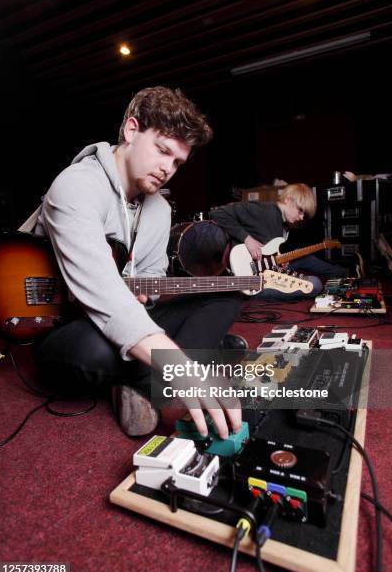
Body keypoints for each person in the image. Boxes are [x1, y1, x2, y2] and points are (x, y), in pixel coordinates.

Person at [32, 86, 243, 439]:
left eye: (177, 162)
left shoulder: (159, 208)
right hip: (65, 326)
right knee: (96, 348)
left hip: (126, 316)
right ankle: (190, 360)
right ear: (131, 131)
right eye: (162, 151)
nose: (167, 168)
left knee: (227, 293)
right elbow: (108, 300)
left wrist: (147, 294)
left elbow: (151, 277)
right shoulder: (76, 186)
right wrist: (184, 370)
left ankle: (143, 386)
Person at [210, 183, 346, 302]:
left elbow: (268, 249)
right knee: (315, 285)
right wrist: (248, 239)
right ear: (288, 200)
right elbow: (217, 213)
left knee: (304, 257)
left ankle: (345, 273)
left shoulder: (283, 224)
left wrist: (279, 260)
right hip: (255, 282)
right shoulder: (263, 210)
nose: (302, 217)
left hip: (268, 268)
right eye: (300, 210)